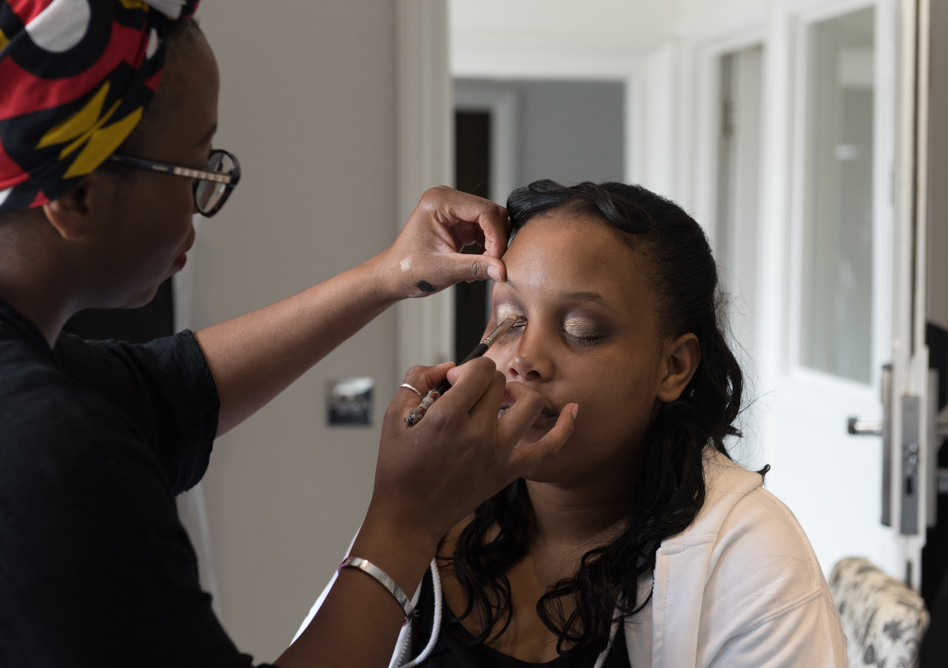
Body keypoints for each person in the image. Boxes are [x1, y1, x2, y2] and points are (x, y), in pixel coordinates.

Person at [0, 3, 576, 667]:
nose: (203, 200)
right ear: (75, 197)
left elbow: (172, 391)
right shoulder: (39, 447)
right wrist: (406, 519)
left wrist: (387, 276)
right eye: (196, 169)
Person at [302, 179, 849, 666]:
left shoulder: (751, 558)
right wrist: (400, 520)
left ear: (673, 366)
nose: (523, 358)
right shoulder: (426, 508)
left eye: (582, 330)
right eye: (510, 320)